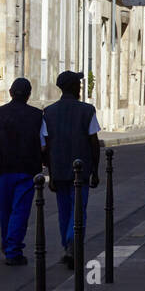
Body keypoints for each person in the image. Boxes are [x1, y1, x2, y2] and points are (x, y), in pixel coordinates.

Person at [0, 78, 47, 266]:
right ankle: (13, 250)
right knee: (20, 211)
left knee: (5, 210)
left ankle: (8, 243)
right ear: (29, 94)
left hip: (2, 169)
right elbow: (42, 147)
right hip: (25, 169)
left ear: (10, 92)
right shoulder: (36, 116)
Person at [42, 70, 102, 268]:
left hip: (58, 169)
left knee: (63, 211)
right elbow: (94, 142)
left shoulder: (49, 112)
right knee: (79, 210)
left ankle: (67, 244)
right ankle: (72, 244)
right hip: (81, 170)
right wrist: (95, 169)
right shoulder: (87, 110)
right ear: (76, 87)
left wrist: (50, 171)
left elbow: (46, 145)